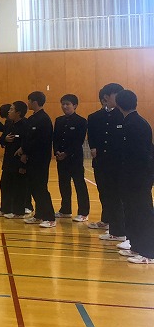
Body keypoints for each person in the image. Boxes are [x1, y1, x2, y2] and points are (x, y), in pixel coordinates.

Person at [115, 90, 154, 264]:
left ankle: (149, 253)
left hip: (139, 178)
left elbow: (141, 155)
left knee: (142, 213)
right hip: (130, 177)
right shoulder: (130, 122)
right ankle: (136, 246)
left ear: (118, 104)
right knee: (131, 212)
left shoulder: (136, 124)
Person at [87, 83, 126, 241]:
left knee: (117, 196)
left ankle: (119, 230)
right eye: (116, 94)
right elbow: (92, 135)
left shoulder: (123, 115)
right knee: (104, 192)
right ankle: (108, 221)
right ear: (106, 97)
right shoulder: (95, 117)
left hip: (117, 163)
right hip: (101, 162)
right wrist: (93, 147)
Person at [21, 91, 56, 228]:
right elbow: (27, 138)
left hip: (40, 159)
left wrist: (26, 151)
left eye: (29, 101)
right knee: (33, 187)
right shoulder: (32, 119)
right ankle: (39, 215)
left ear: (34, 102)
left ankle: (50, 217)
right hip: (31, 158)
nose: (28, 103)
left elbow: (41, 141)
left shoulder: (44, 119)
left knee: (41, 188)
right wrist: (24, 151)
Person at [53, 94, 90, 222]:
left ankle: (83, 212)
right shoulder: (59, 120)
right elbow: (55, 138)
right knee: (63, 184)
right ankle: (65, 210)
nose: (64, 106)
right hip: (61, 158)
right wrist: (57, 151)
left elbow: (78, 141)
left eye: (67, 104)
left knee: (79, 184)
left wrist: (66, 153)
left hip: (75, 158)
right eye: (63, 104)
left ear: (74, 105)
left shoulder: (81, 121)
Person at [0, 101, 29, 219]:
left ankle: (19, 212)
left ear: (18, 112)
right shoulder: (9, 124)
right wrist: (5, 139)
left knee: (18, 186)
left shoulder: (26, 125)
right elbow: (1, 140)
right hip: (8, 160)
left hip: (19, 161)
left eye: (11, 109)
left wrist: (24, 164)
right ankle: (5, 208)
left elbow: (28, 142)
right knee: (4, 184)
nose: (9, 112)